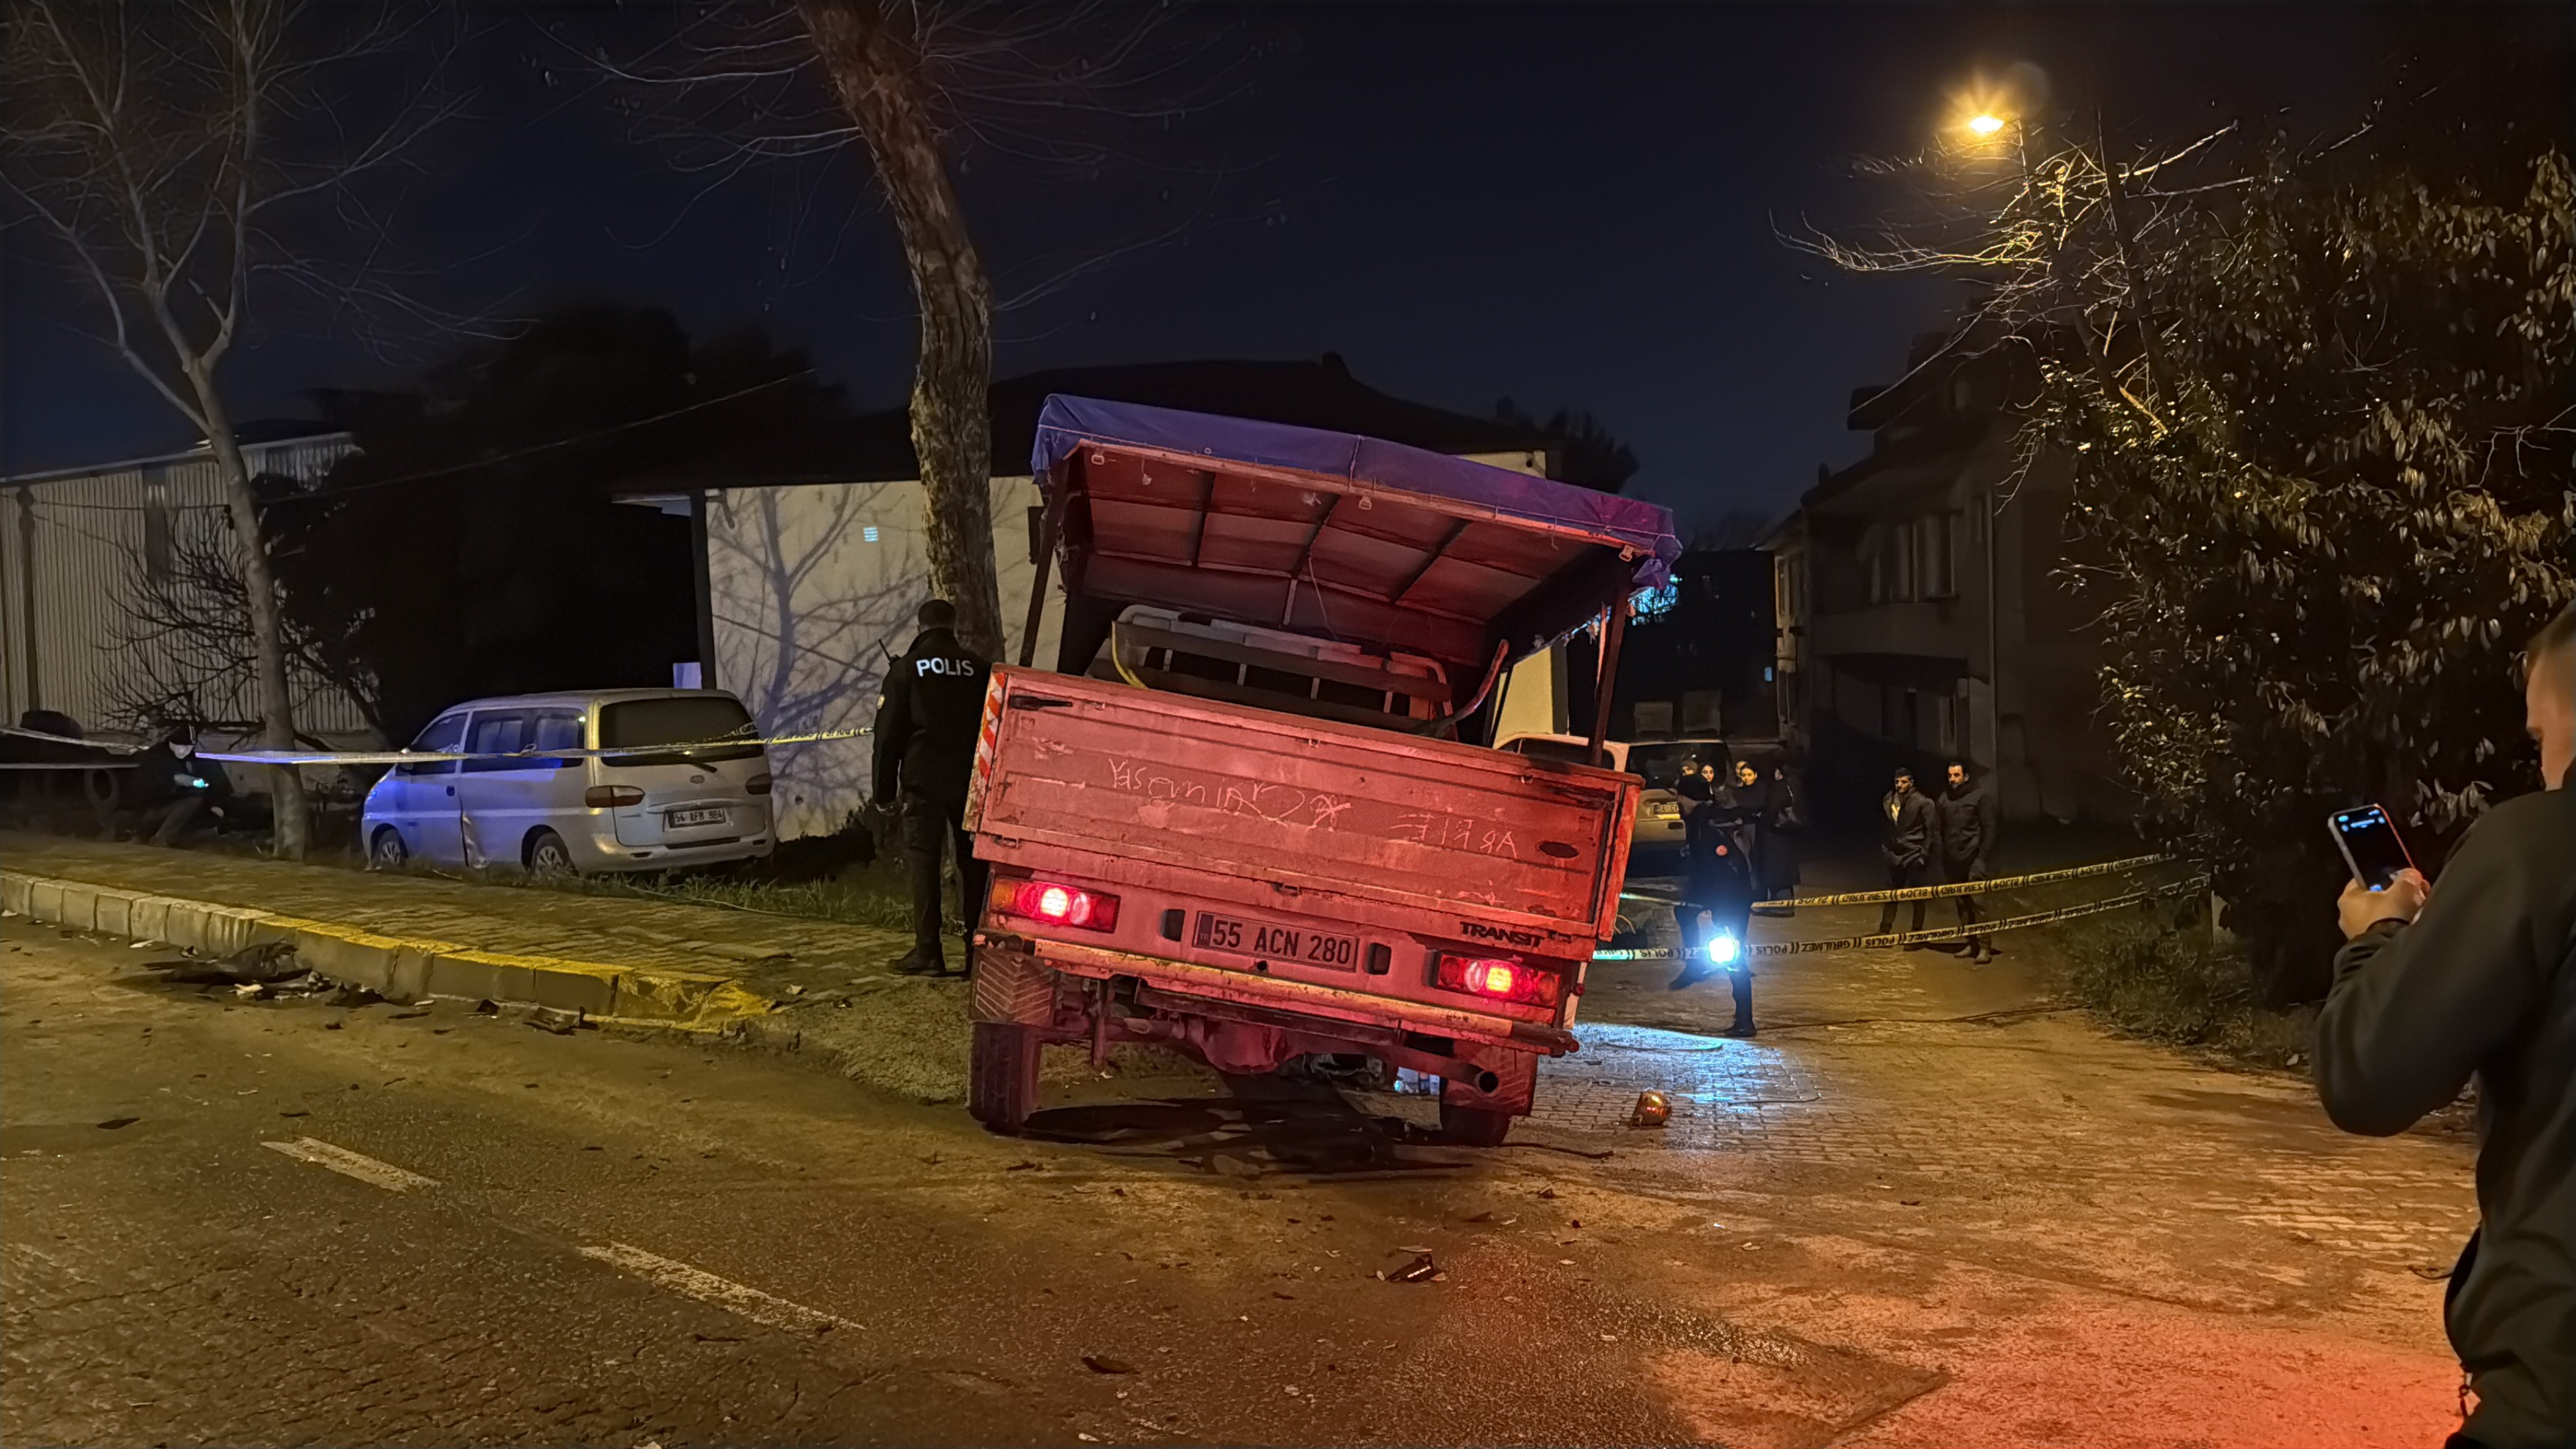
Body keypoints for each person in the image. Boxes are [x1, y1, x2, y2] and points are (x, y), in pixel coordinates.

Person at [2315, 602, 2575, 1449]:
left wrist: (2380, 937)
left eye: (2540, 735)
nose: (2543, 763)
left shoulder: (2537, 847)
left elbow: (2367, 1075)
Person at [872, 599, 993, 977]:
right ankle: (977, 955)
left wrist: (883, 794)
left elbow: (887, 738)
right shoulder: (979, 668)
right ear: (953, 626)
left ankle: (929, 953)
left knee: (924, 863)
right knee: (974, 867)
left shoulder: (906, 669)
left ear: (920, 627)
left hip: (923, 782)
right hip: (971, 781)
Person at [1669, 786, 1758, 1037]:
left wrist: (1719, 907)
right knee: (1684, 913)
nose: (1678, 804)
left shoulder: (1708, 827)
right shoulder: (1698, 823)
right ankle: (1695, 964)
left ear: (1691, 799)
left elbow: (1727, 869)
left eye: (1681, 798)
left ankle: (1745, 1021)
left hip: (1732, 898)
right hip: (1719, 895)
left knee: (1733, 956)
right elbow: (1703, 868)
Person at [1936, 759, 1999, 963]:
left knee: (1978, 903)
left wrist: (1982, 855)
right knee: (1962, 904)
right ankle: (1970, 943)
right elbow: (1938, 827)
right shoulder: (1945, 799)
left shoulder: (1980, 797)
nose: (1953, 779)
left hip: (1974, 859)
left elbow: (1990, 828)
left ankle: (1984, 947)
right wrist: (1942, 851)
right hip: (1953, 860)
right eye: (1950, 775)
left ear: (1966, 777)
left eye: (1956, 775)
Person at [1874, 764, 1935, 946]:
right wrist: (1887, 848)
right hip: (1895, 853)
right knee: (1891, 894)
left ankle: (1916, 933)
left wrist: (1924, 854)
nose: (1899, 785)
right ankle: (1885, 930)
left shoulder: (1923, 802)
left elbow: (1931, 830)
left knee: (1917, 895)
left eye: (1903, 782)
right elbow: (1886, 825)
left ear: (1911, 783)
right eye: (1897, 782)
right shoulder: (1889, 800)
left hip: (1915, 852)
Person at [1759, 761, 1805, 912]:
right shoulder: (1795, 784)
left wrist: (1763, 820)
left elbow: (1772, 810)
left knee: (1777, 871)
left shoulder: (1779, 787)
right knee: (1784, 871)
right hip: (1788, 834)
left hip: (1776, 834)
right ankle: (1785, 905)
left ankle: (1780, 906)